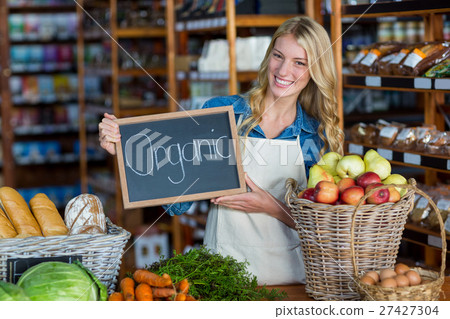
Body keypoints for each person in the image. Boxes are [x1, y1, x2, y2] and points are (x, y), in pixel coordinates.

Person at [98, 16, 344, 285]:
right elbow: (178, 203)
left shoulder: (315, 134)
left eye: (299, 63)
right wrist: (127, 151)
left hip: (291, 279)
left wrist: (271, 207)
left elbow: (324, 228)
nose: (284, 71)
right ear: (268, 57)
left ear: (315, 71)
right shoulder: (223, 113)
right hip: (224, 275)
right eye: (278, 56)